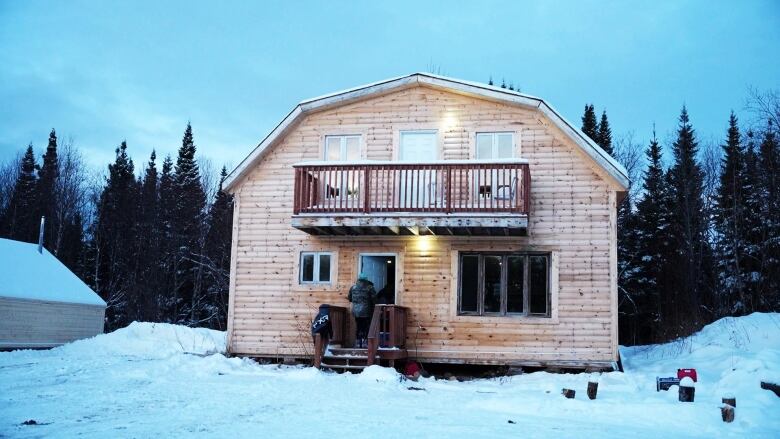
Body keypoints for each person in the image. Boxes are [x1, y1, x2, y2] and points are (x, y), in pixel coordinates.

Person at [347, 272, 377, 348]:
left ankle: (357, 342)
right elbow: (374, 300)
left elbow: (350, 298)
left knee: (358, 326)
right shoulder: (370, 287)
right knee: (366, 326)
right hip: (366, 311)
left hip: (356, 312)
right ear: (366, 279)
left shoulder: (353, 287)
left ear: (359, 279)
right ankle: (364, 343)